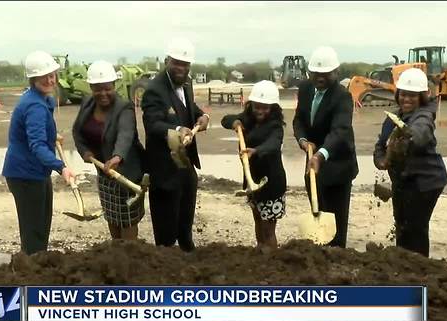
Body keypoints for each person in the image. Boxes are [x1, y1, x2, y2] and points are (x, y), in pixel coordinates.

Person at [2, 50, 75, 255]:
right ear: (33, 79)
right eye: (43, 77)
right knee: (34, 232)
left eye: (52, 75)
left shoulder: (40, 99)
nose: (50, 80)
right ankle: (30, 275)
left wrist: (52, 136)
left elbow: (35, 134)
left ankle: (35, 266)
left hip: (35, 172)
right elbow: (36, 145)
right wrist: (61, 168)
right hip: (25, 175)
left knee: (40, 227)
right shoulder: (34, 105)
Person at [141, 37, 210, 252]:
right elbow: (153, 124)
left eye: (185, 64)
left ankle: (187, 249)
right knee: (165, 228)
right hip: (164, 168)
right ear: (167, 61)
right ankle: (166, 264)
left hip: (185, 163)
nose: (181, 68)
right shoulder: (154, 89)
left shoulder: (186, 83)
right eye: (177, 63)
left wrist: (202, 116)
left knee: (185, 217)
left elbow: (190, 108)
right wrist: (178, 130)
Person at [373, 68, 447, 257]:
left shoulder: (423, 116)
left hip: (425, 182)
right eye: (404, 95)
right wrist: (382, 160)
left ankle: (419, 270)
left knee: (415, 229)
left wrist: (408, 138)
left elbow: (420, 133)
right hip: (404, 181)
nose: (407, 99)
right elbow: (380, 144)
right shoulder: (393, 118)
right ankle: (403, 265)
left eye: (413, 96)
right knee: (402, 226)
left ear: (422, 97)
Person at [292, 46, 358, 248]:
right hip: (313, 166)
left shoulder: (342, 97)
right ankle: (319, 257)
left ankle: (337, 258)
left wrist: (320, 155)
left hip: (337, 165)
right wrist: (303, 140)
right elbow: (299, 120)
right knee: (317, 210)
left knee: (336, 222)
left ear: (336, 73)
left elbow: (339, 131)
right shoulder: (305, 89)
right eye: (316, 73)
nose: (320, 78)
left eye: (326, 74)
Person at [72, 60, 146, 241]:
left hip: (126, 175)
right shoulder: (88, 103)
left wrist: (117, 156)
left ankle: (129, 257)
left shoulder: (124, 107)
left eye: (107, 88)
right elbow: (77, 131)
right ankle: (117, 254)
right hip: (104, 172)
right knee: (112, 217)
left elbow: (126, 134)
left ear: (114, 86)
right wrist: (84, 151)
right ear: (91, 87)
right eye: (98, 89)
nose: (103, 93)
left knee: (127, 221)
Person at [221, 80, 287, 248]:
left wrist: (256, 151)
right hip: (253, 181)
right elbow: (225, 119)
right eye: (257, 106)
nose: (260, 111)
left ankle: (270, 257)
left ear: (273, 108)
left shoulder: (275, 126)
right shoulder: (247, 119)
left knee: (268, 229)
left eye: (265, 107)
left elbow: (274, 144)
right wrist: (235, 123)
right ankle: (260, 250)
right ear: (251, 105)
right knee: (257, 219)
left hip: (271, 183)